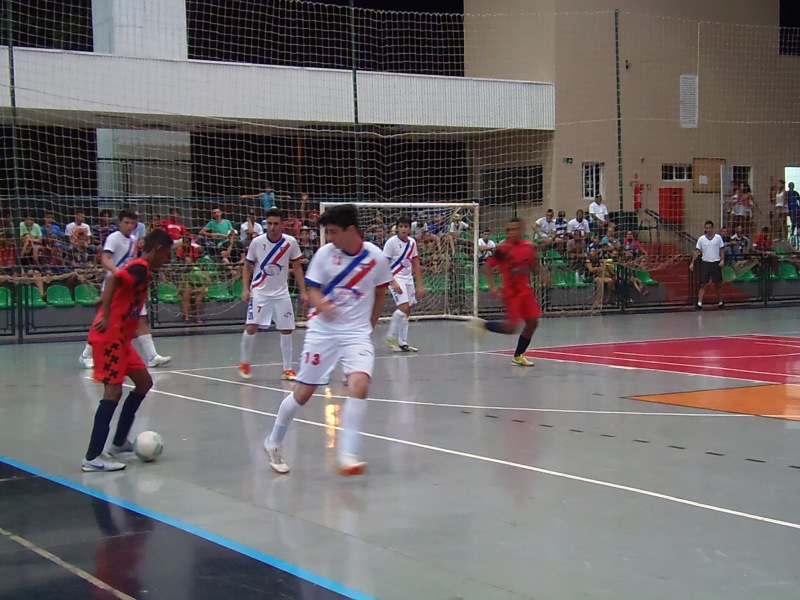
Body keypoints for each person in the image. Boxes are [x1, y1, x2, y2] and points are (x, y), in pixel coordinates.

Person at [263, 204, 392, 476]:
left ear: (351, 230)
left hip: (356, 333)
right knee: (303, 393)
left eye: (333, 231)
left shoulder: (376, 258)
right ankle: (273, 441)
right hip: (323, 331)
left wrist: (367, 327)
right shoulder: (324, 254)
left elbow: (380, 294)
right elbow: (313, 291)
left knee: (360, 383)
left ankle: (347, 453)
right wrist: (323, 307)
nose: (329, 237)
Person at [80, 229, 174, 472]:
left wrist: (104, 306)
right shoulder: (140, 267)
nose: (169, 259)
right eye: (168, 253)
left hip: (121, 339)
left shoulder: (146, 270)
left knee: (144, 382)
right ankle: (92, 458)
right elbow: (113, 279)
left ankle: (120, 443)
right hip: (109, 337)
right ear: (158, 249)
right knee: (112, 392)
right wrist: (107, 313)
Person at [79, 209, 171, 369]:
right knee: (105, 320)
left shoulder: (134, 240)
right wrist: (120, 273)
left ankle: (152, 356)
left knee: (141, 319)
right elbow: (105, 260)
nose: (130, 226)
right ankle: (86, 354)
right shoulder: (114, 238)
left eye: (133, 223)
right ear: (119, 222)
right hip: (115, 285)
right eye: (126, 222)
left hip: (131, 285)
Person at [466, 217, 546, 367]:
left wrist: (543, 274)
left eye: (515, 229)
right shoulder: (503, 249)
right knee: (512, 328)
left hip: (525, 291)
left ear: (522, 230)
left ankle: (518, 356)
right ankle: (484, 325)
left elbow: (534, 266)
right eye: (509, 230)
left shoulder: (529, 247)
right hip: (512, 293)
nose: (512, 233)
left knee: (533, 322)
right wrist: (493, 286)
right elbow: (487, 267)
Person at [239, 208, 307, 381]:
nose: (272, 227)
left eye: (276, 224)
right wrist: (246, 289)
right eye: (269, 224)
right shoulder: (257, 242)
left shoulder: (290, 242)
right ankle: (245, 362)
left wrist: (303, 291)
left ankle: (287, 369)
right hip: (260, 291)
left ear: (282, 224)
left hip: (281, 292)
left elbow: (297, 267)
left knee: (286, 329)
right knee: (251, 326)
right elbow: (247, 266)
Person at [383, 216, 425, 352]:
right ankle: (390, 336)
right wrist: (393, 282)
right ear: (397, 228)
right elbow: (384, 264)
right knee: (404, 307)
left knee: (409, 310)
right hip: (395, 277)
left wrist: (419, 284)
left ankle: (403, 342)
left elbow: (416, 264)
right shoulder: (391, 242)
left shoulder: (412, 242)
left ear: (409, 228)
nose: (403, 229)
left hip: (408, 278)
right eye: (401, 226)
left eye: (406, 226)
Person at [689, 220, 725, 311]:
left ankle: (721, 302)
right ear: (705, 228)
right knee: (703, 284)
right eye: (707, 228)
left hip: (715, 263)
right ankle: (699, 303)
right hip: (705, 263)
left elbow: (722, 249)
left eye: (710, 228)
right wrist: (692, 262)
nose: (708, 230)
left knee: (718, 284)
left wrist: (722, 259)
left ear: (712, 228)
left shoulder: (718, 238)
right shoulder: (701, 239)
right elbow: (697, 251)